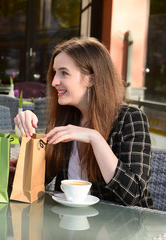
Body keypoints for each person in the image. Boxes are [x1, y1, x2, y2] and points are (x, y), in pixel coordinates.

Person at [14, 37, 153, 208]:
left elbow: (132, 195)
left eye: (64, 73)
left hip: (124, 227)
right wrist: (30, 135)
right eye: (55, 72)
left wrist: (94, 138)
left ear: (91, 79)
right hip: (68, 223)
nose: (54, 82)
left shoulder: (130, 118)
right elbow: (38, 180)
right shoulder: (65, 119)